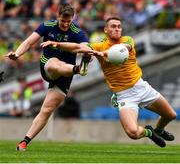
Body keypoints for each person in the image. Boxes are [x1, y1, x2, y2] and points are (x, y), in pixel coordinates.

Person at [41, 16, 177, 148]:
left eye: (119, 27)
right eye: (113, 26)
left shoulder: (127, 40)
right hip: (125, 95)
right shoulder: (98, 46)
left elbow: (123, 48)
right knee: (133, 133)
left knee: (171, 115)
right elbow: (77, 47)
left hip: (141, 87)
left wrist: (104, 54)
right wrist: (57, 44)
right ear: (106, 30)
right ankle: (149, 132)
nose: (117, 29)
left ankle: (159, 130)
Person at [6, 3, 93, 151]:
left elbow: (86, 48)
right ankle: (78, 69)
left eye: (68, 21)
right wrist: (17, 53)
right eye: (63, 20)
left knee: (46, 110)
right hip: (48, 67)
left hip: (66, 74)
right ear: (57, 16)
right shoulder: (47, 26)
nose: (65, 24)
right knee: (55, 63)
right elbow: (28, 42)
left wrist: (87, 55)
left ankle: (24, 142)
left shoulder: (77, 31)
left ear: (72, 19)